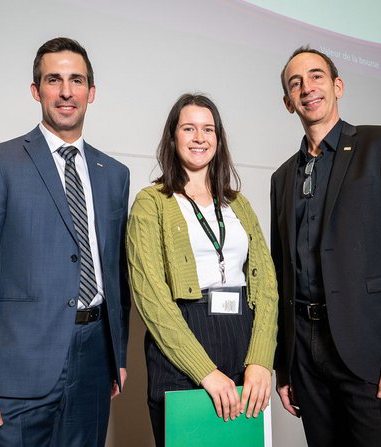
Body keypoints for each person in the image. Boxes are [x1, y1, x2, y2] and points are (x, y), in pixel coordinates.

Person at [0, 37, 130, 447]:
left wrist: (117, 356)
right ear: (36, 91)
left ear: (91, 92)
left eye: (76, 80)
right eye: (54, 80)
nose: (66, 91)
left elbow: (117, 275)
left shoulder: (113, 173)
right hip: (17, 370)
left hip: (94, 364)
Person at [271, 46, 381, 446]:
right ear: (288, 103)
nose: (307, 88)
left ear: (337, 85)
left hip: (370, 350)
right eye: (296, 83)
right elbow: (281, 273)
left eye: (316, 76)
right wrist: (285, 366)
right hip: (306, 356)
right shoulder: (281, 178)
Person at [127, 93, 279, 447]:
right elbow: (149, 296)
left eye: (208, 129)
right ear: (172, 137)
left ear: (219, 139)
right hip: (181, 344)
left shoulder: (239, 204)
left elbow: (268, 287)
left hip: (243, 339)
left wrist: (260, 360)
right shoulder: (151, 203)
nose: (199, 137)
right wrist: (205, 372)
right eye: (189, 128)